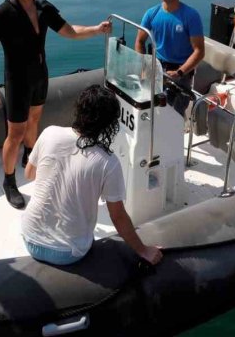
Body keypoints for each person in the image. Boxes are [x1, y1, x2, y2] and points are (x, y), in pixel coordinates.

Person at [0, 0, 111, 209]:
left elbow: (69, 31)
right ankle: (9, 182)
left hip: (40, 75)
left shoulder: (43, 8)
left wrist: (96, 30)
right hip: (17, 80)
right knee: (15, 133)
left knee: (34, 119)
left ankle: (30, 156)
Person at [22, 85, 163, 266]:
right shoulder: (108, 162)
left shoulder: (49, 132)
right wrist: (144, 251)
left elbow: (29, 174)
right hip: (67, 252)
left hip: (29, 237)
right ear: (109, 124)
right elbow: (118, 216)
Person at [135, 0, 205, 113]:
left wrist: (179, 72)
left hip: (180, 74)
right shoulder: (151, 13)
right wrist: (145, 65)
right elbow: (139, 42)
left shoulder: (191, 16)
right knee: (151, 112)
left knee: (174, 116)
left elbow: (199, 51)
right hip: (156, 69)